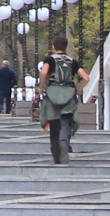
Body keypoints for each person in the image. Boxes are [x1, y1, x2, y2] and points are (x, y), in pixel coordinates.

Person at [36, 35, 86, 164]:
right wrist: (77, 90)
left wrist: (42, 88)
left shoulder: (50, 60)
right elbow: (86, 77)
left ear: (53, 47)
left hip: (53, 93)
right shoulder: (73, 61)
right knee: (66, 121)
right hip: (68, 94)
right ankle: (64, 140)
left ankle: (57, 155)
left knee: (54, 124)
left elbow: (43, 72)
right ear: (66, 47)